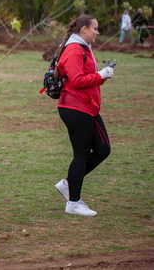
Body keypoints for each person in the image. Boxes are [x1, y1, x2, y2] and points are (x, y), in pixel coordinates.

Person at [54, 15, 114, 217]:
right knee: (81, 155)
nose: (97, 32)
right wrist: (100, 75)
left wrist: (102, 76)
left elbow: (83, 79)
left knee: (103, 149)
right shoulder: (73, 49)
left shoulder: (83, 48)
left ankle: (68, 184)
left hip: (87, 107)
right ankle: (73, 202)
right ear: (84, 29)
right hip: (75, 108)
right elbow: (77, 80)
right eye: (95, 28)